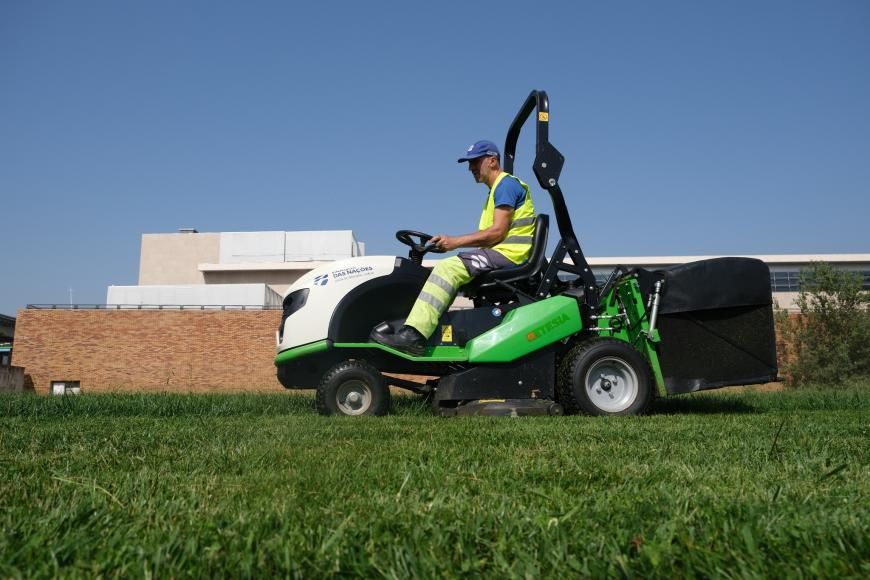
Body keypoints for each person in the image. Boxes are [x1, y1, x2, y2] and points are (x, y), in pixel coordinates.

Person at [372, 139, 536, 355]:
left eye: (475, 162)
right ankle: (420, 326)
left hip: (509, 256)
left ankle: (414, 336)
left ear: (493, 161)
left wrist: (455, 242)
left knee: (448, 269)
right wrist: (451, 244)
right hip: (500, 253)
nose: (470, 168)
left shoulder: (506, 185)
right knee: (451, 267)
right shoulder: (497, 189)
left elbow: (497, 232)